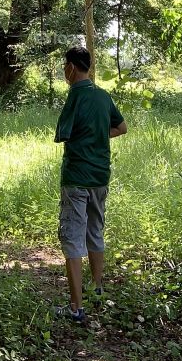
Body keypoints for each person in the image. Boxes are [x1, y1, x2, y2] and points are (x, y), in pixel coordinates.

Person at [53, 45, 127, 323]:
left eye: (65, 66)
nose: (64, 71)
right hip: (100, 177)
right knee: (95, 231)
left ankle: (76, 308)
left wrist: (82, 136)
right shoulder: (103, 96)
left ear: (72, 67)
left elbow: (62, 134)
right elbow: (121, 128)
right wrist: (98, 135)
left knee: (72, 237)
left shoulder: (76, 95)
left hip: (76, 178)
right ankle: (97, 289)